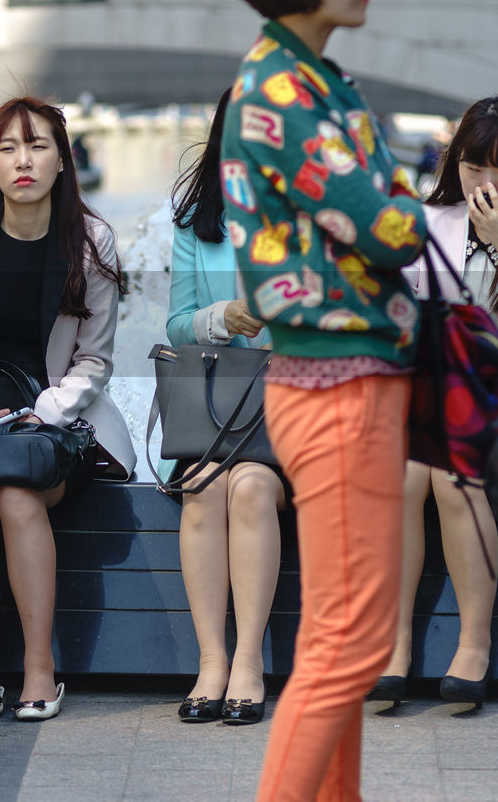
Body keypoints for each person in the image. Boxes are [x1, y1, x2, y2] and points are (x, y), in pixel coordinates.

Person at [214, 0, 427, 800]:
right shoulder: (282, 90)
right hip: (337, 386)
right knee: (352, 641)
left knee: (339, 636)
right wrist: (414, 212)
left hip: (345, 380)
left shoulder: (309, 76)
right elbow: (387, 224)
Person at [0, 96, 136, 722]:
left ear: (63, 160)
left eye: (39, 146)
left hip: (56, 422)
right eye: (8, 148)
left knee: (18, 496)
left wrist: (43, 412)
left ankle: (40, 668)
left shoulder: (92, 240)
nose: (24, 161)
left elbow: (94, 363)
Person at [375, 96, 498, 710]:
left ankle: (474, 644)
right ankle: (394, 644)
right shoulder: (431, 226)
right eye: (475, 169)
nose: (487, 186)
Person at [165, 89, 287, 726]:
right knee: (203, 485)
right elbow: (177, 324)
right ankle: (212, 660)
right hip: (221, 412)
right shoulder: (195, 222)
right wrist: (223, 318)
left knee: (249, 489)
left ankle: (249, 661)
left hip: (296, 411)